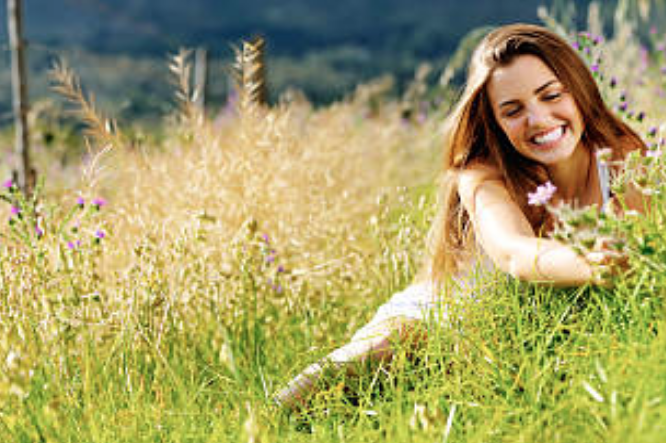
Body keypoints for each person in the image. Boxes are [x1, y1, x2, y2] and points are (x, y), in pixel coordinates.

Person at [273, 23, 646, 413]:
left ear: (580, 91)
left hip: (522, 353)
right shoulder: (482, 174)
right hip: (440, 325)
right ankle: (263, 419)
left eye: (551, 95)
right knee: (354, 372)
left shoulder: (623, 158)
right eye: (512, 110)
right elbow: (514, 253)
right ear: (495, 122)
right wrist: (590, 263)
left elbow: (640, 268)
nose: (538, 120)